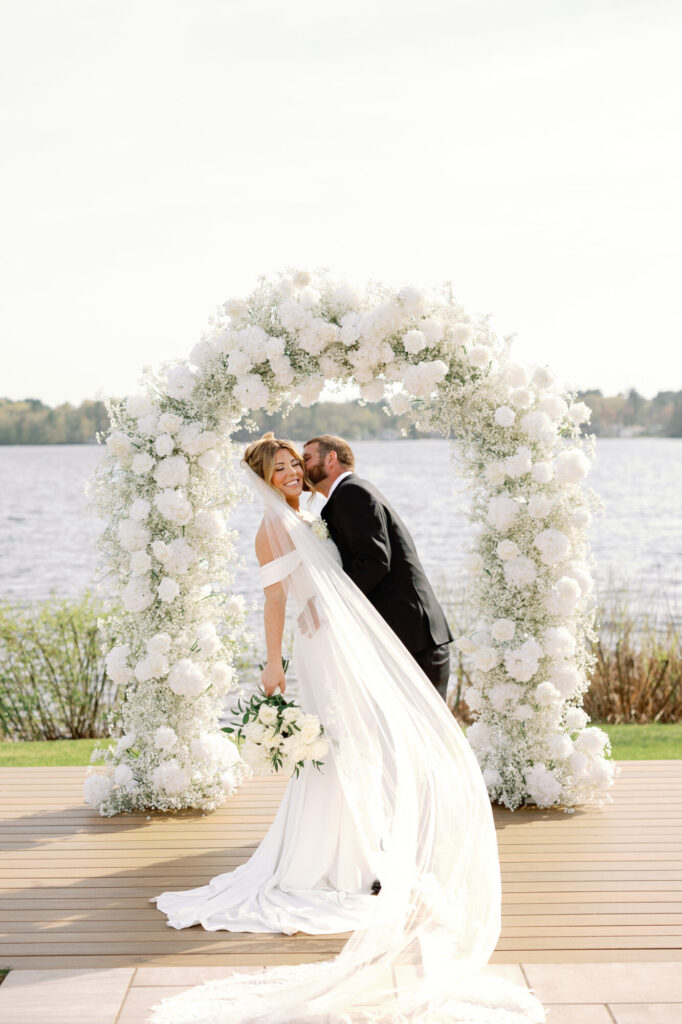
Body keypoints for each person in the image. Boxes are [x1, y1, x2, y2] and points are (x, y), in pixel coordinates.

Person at [149, 434, 544, 1024]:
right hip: (321, 647)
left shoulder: (308, 513)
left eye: (294, 464)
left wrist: (330, 610)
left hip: (344, 641)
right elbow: (277, 597)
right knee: (342, 744)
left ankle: (363, 853)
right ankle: (337, 860)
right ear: (262, 477)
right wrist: (273, 658)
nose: (290, 473)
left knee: (359, 744)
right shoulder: (272, 526)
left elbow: (336, 574)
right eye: (280, 467)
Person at [303, 434, 454, 700]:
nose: (301, 467)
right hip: (404, 637)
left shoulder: (352, 493)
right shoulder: (349, 493)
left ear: (331, 458)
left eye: (306, 459)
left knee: (426, 738)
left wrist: (329, 599)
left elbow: (374, 561)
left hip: (415, 640)